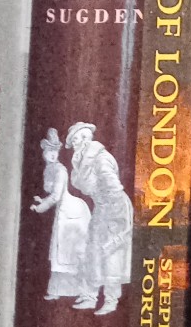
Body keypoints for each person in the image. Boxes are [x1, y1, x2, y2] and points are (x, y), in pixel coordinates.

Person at [64, 121, 133, 314]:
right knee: (93, 250)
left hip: (114, 207)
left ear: (85, 139)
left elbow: (114, 188)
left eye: (76, 140)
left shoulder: (100, 159)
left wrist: (115, 218)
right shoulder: (82, 161)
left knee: (111, 252)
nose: (74, 144)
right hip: (102, 207)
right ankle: (89, 296)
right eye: (73, 141)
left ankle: (111, 300)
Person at [31, 128, 89, 302]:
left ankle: (84, 291)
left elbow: (56, 196)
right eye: (49, 151)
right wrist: (42, 200)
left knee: (68, 253)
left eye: (55, 151)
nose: (52, 154)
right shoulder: (49, 169)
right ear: (44, 153)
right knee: (59, 252)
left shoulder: (60, 170)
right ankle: (57, 290)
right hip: (62, 211)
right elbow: (52, 195)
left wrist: (40, 207)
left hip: (71, 212)